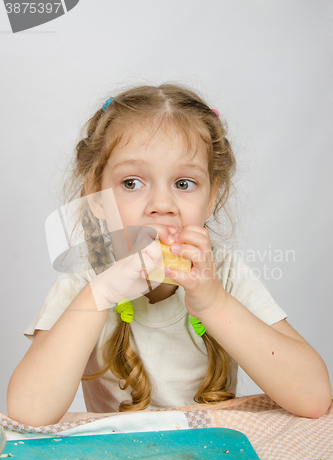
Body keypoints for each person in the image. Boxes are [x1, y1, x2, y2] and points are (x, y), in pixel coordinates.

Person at [7, 84, 332, 426]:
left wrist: (213, 303)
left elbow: (312, 398)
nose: (162, 206)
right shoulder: (83, 282)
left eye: (183, 184)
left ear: (211, 197)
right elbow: (29, 414)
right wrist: (100, 294)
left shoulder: (225, 273)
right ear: (97, 196)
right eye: (132, 183)